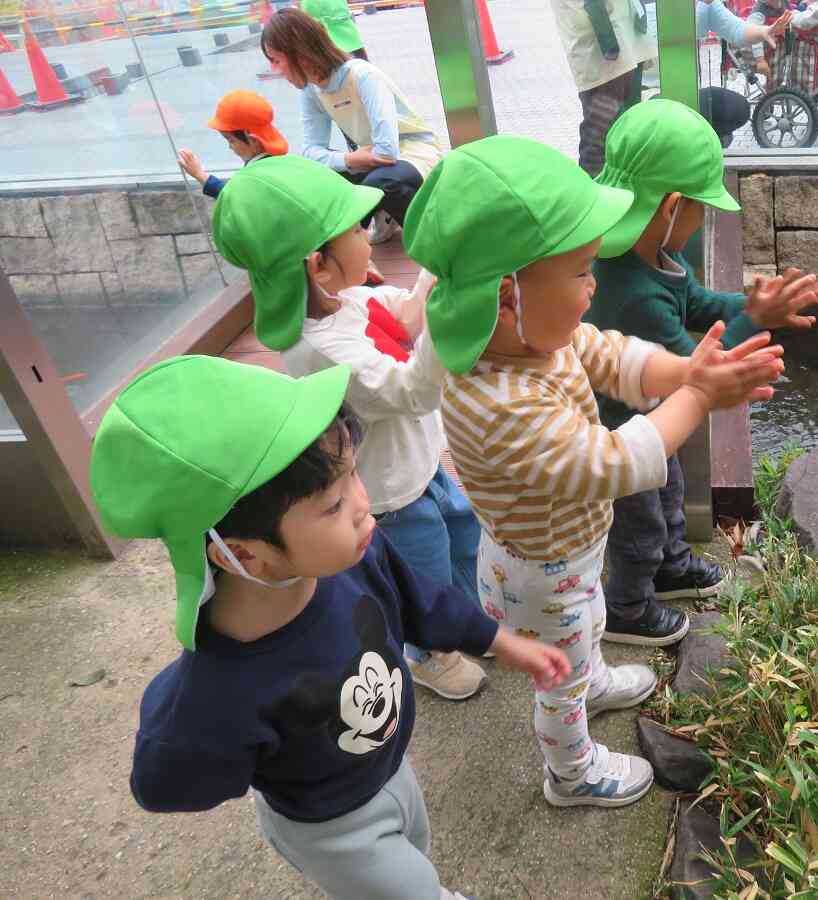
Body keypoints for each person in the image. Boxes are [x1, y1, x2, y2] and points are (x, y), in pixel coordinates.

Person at [88, 354, 569, 900]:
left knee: (418, 855)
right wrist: (189, 706)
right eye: (334, 503)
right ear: (243, 554)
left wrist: (497, 640)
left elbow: (423, 600)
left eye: (354, 473)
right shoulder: (221, 689)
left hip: (390, 765)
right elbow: (160, 782)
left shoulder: (355, 559)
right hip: (331, 828)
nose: (364, 505)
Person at [404, 134, 786, 807]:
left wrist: (685, 370)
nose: (594, 285)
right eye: (582, 271)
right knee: (561, 683)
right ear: (508, 295)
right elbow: (613, 463)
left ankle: (596, 673)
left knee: (587, 630)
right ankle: (572, 772)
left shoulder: (528, 336)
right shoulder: (501, 401)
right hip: (541, 575)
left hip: (566, 557)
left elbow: (611, 355)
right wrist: (698, 396)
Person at [211, 154, 489, 701]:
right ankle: (430, 653)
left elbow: (407, 316)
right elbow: (415, 390)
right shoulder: (321, 349)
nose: (371, 234)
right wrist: (453, 311)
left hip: (420, 465)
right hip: (388, 494)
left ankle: (470, 620)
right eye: (359, 229)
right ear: (319, 264)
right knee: (423, 571)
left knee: (463, 537)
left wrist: (438, 267)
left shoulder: (351, 299)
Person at [584, 98, 818, 645]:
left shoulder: (654, 256)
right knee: (638, 522)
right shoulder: (632, 292)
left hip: (650, 420)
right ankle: (627, 606)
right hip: (621, 433)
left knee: (670, 495)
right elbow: (701, 374)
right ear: (672, 207)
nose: (703, 219)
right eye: (701, 208)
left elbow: (696, 303)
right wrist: (754, 322)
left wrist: (751, 304)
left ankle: (670, 567)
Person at [261, 8, 443, 244]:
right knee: (319, 181)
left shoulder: (362, 75)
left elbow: (387, 151)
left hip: (416, 152)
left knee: (379, 184)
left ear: (300, 53)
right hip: (369, 159)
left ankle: (432, 237)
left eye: (276, 60)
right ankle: (373, 224)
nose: (274, 69)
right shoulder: (311, 90)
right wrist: (350, 159)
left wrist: (354, 160)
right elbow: (310, 152)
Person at [549, 0, 656, 176]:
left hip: (626, 33)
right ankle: (590, 188)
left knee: (628, 128)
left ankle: (624, 187)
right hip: (601, 43)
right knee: (600, 133)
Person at [176, 89, 288, 199]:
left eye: (231, 140)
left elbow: (235, 199)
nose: (229, 147)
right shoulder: (283, 162)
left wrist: (199, 174)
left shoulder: (256, 177)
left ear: (253, 140)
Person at [301, 0, 368, 60]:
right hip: (351, 37)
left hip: (331, 43)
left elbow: (311, 24)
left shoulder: (308, 1)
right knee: (362, 66)